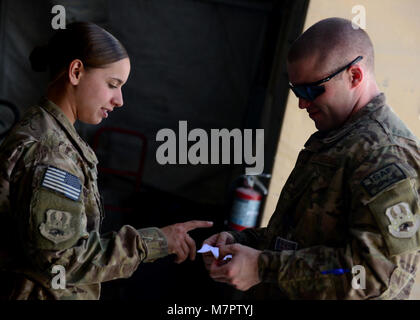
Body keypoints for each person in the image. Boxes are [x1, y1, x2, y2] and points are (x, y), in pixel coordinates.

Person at [203, 17, 420, 299]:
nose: (302, 103)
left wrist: (264, 268)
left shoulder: (386, 154)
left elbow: (375, 275)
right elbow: (300, 241)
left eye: (311, 90)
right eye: (296, 90)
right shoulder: (340, 137)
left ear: (354, 75)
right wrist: (240, 243)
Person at [0, 21, 213, 300]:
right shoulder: (50, 154)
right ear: (76, 72)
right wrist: (156, 241)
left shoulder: (44, 129)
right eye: (113, 84)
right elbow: (64, 261)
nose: (120, 99)